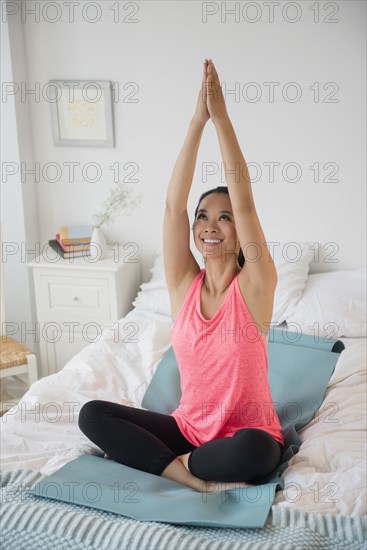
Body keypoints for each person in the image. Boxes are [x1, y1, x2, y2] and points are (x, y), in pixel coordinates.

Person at [78, 59, 284, 494]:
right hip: (189, 430)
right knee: (93, 415)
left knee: (256, 453)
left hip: (245, 436)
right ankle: (187, 475)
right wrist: (195, 122)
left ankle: (167, 463)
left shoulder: (255, 286)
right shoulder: (182, 285)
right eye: (204, 217)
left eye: (224, 218)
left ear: (239, 229)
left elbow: (246, 203)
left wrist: (221, 119)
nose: (210, 225)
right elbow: (173, 207)